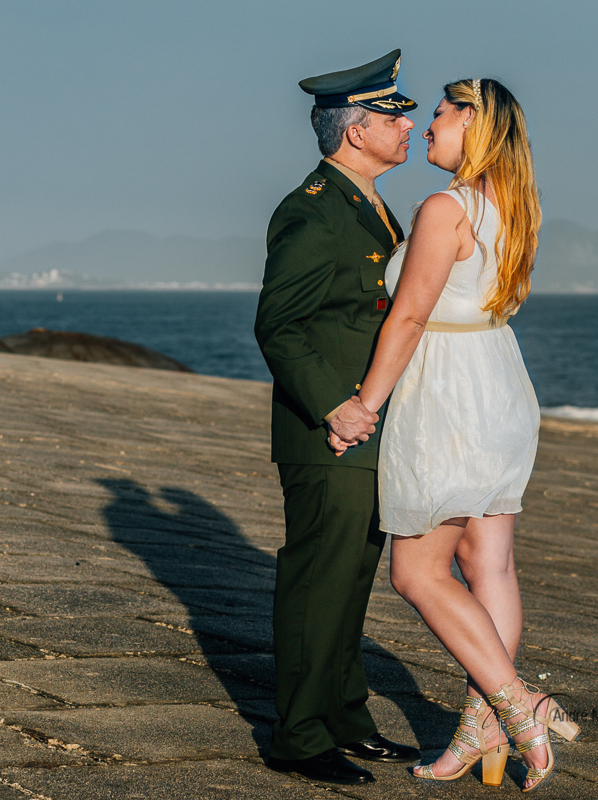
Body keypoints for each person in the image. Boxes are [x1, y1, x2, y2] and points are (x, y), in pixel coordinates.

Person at [329, 78, 580, 791]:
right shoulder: (514, 205)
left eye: (437, 114)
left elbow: (408, 319)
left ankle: (517, 704)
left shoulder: (444, 207)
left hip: (447, 393)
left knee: (417, 571)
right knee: (489, 563)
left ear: (472, 121)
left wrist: (364, 406)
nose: (426, 126)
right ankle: (482, 728)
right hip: (498, 384)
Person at [254, 49, 421, 786]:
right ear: (355, 131)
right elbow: (278, 325)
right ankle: (297, 736)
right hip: (329, 433)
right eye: (393, 114)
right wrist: (336, 405)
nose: (407, 124)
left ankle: (345, 715)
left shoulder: (371, 206)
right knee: (318, 579)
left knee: (352, 580)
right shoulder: (312, 209)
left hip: (369, 428)